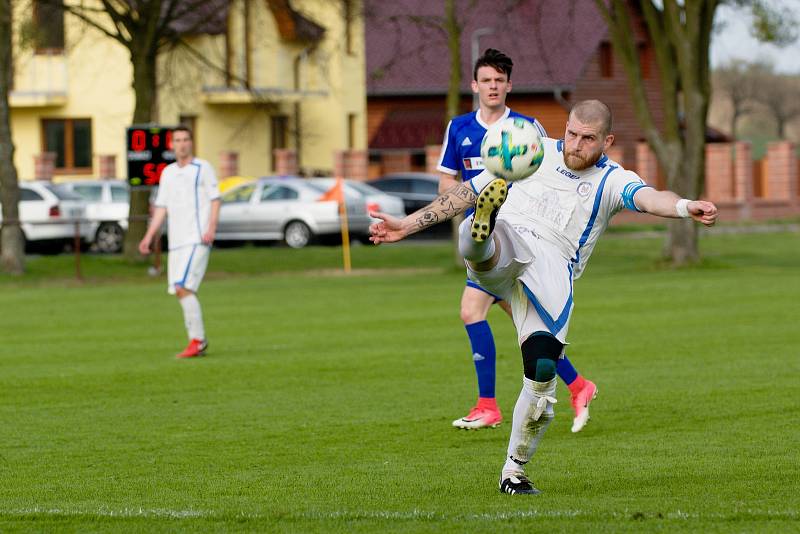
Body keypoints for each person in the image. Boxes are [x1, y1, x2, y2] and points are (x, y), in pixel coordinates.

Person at [369, 100, 718, 495]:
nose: (575, 144)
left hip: (553, 269)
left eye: (587, 138)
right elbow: (466, 191)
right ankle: (480, 236)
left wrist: (686, 206)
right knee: (486, 238)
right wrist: (406, 226)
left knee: (541, 377)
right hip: (513, 236)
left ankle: (513, 472)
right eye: (571, 133)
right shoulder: (530, 151)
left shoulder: (612, 179)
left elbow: (649, 197)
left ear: (607, 140)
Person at [437, 48, 597, 432]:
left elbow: (553, 177)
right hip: (484, 239)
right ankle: (578, 385)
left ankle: (488, 406)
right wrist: (467, 211)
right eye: (486, 80)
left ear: (509, 85)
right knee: (524, 325)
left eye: (499, 81)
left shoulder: (527, 128)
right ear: (474, 85)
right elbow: (446, 181)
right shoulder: (458, 128)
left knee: (472, 311)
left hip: (520, 244)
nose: (493, 87)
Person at [139, 126, 221, 358]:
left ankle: (198, 341)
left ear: (191, 142)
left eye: (186, 139)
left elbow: (215, 199)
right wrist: (149, 236)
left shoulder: (203, 168)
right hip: (177, 242)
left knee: (183, 286)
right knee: (179, 289)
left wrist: (211, 228)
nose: (182, 144)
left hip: (197, 237)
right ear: (172, 144)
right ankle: (197, 340)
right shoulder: (168, 173)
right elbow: (162, 207)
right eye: (178, 140)